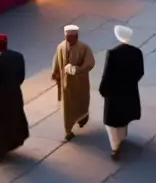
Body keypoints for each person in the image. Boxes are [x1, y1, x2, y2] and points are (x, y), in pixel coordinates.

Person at [98, 25, 144, 160]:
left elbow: (107, 74)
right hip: (129, 91)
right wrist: (130, 83)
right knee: (125, 117)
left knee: (110, 122)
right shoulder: (137, 52)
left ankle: (115, 146)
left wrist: (103, 90)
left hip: (114, 93)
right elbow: (140, 72)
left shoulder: (113, 53)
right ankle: (123, 137)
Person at [0, 34, 29, 160]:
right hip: (14, 93)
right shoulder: (18, 56)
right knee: (14, 117)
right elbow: (21, 77)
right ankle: (14, 141)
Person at [51, 24, 96, 141]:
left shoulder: (84, 48)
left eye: (71, 37)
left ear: (76, 36)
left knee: (82, 101)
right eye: (67, 37)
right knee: (68, 107)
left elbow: (90, 63)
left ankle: (82, 119)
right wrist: (55, 74)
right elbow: (56, 61)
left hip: (80, 83)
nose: (68, 39)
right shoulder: (61, 47)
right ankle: (68, 130)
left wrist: (77, 69)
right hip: (67, 84)